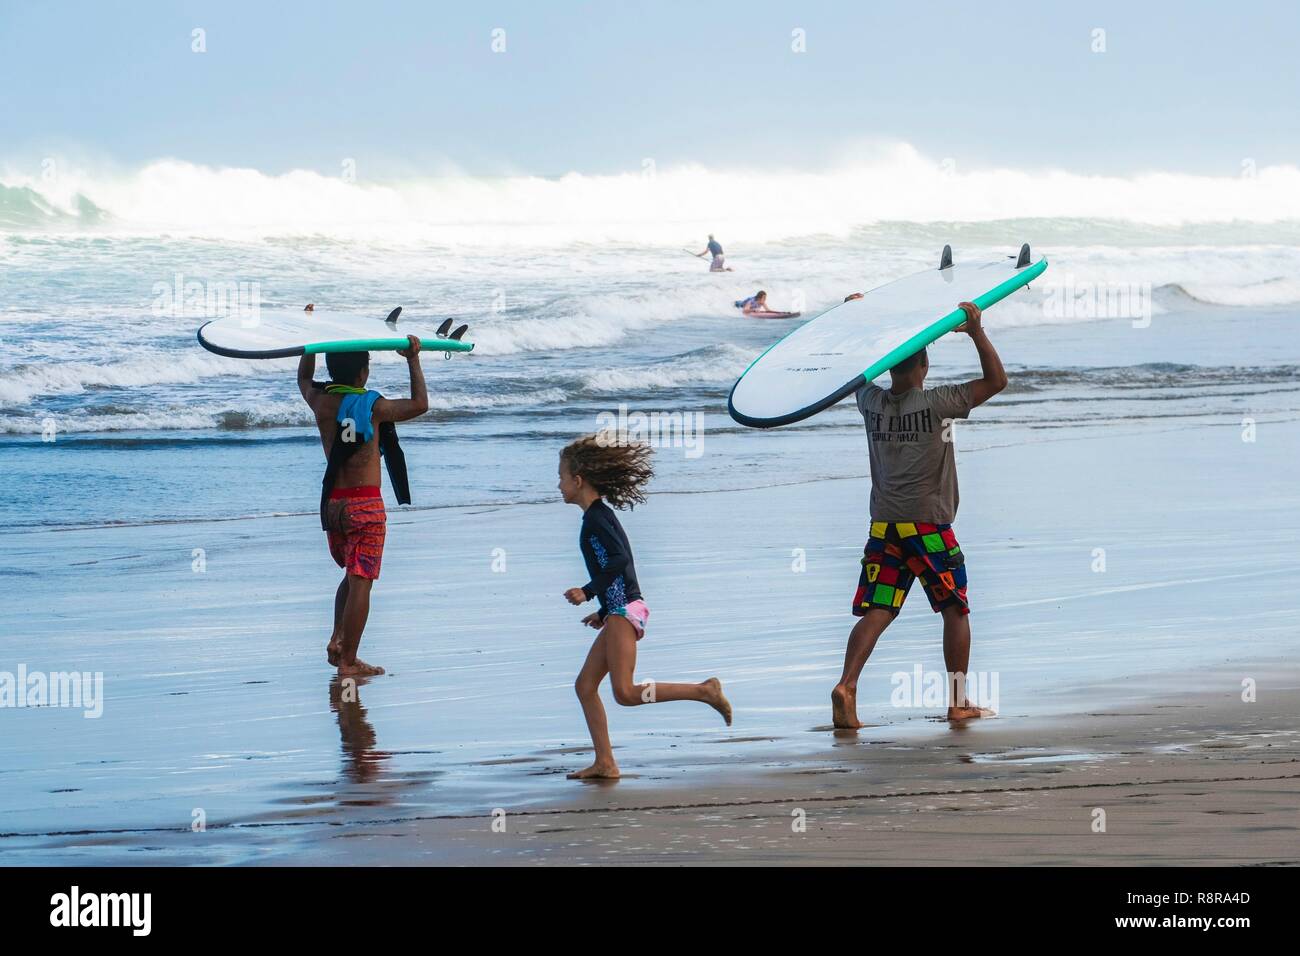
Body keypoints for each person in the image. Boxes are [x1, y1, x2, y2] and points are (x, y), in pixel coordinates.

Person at [831, 299, 1005, 727]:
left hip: (884, 524)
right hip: (928, 525)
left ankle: (847, 685)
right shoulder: (938, 403)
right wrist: (977, 332)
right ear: (924, 366)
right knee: (955, 608)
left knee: (880, 607)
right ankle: (958, 701)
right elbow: (997, 380)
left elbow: (858, 370)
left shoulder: (869, 402)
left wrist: (861, 320)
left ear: (890, 369)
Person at [559, 433, 732, 779]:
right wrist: (604, 611)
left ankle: (704, 691)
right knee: (584, 686)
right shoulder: (596, 516)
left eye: (561, 477)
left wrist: (589, 591)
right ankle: (605, 762)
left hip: (625, 610)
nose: (558, 484)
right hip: (619, 610)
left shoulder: (596, 519)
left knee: (625, 692)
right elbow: (618, 565)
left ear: (578, 481)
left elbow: (620, 559)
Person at [297, 336, 429, 677]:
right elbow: (419, 404)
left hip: (333, 506)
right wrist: (412, 359)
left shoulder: (320, 401)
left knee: (352, 575)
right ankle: (349, 660)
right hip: (365, 505)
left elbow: (303, 380)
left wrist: (308, 348)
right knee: (361, 580)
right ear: (362, 375)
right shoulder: (373, 407)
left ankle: (338, 640)